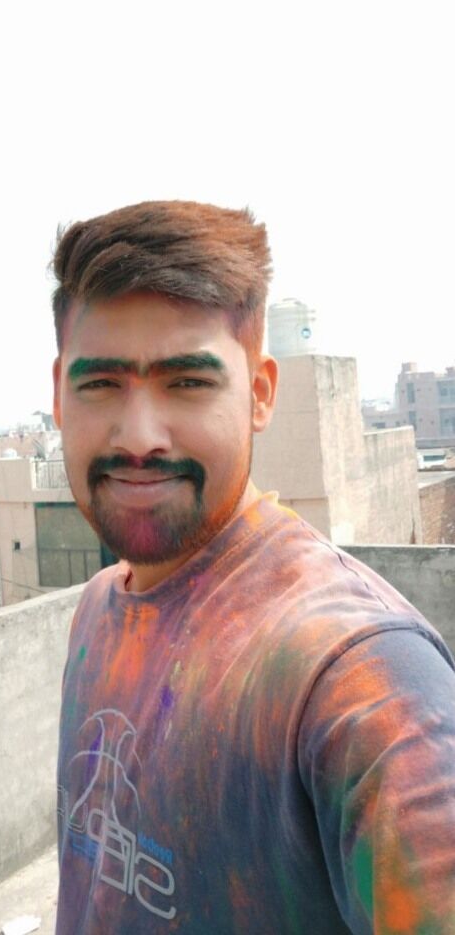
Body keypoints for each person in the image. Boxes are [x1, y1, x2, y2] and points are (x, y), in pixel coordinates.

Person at [51, 201, 455, 934]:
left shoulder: (360, 679)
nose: (138, 437)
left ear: (261, 393)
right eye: (101, 383)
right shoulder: (99, 610)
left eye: (187, 382)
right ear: (58, 394)